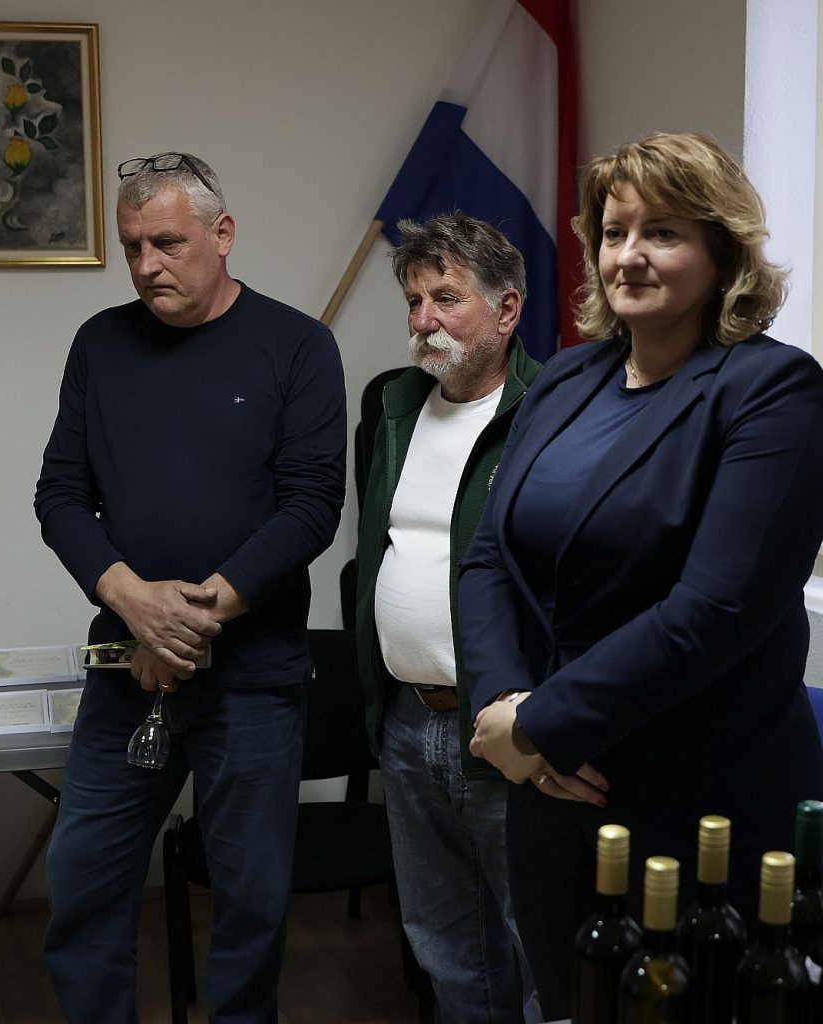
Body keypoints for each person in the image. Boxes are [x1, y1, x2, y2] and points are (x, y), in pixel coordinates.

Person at [461, 131, 823, 1017]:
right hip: (554, 791)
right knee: (571, 1001)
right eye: (613, 231)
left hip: (702, 803)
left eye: (662, 232)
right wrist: (504, 704)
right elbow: (489, 555)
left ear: (722, 251)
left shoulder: (773, 391)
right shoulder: (567, 379)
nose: (629, 254)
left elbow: (716, 608)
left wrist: (544, 722)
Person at [34, 151, 346, 1024]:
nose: (146, 265)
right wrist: (133, 602)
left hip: (252, 677)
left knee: (251, 903)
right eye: (131, 246)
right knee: (83, 879)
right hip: (126, 666)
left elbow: (312, 507)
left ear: (223, 234)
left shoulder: (297, 345)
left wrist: (190, 621)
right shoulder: (101, 343)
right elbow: (60, 496)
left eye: (166, 243)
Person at [354, 215, 543, 1024]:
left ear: (507, 310)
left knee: (537, 937)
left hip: (504, 724)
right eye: (414, 301)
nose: (424, 319)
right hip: (407, 720)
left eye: (447, 298)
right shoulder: (394, 406)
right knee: (443, 939)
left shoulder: (552, 411)